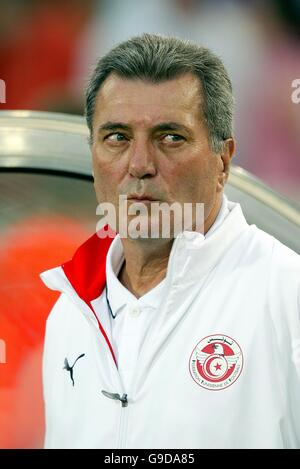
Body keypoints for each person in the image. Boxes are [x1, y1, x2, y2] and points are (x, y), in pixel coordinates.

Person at [40, 33, 300, 449]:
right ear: (92, 154)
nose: (140, 165)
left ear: (223, 161)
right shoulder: (69, 312)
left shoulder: (287, 294)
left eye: (170, 137)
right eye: (117, 137)